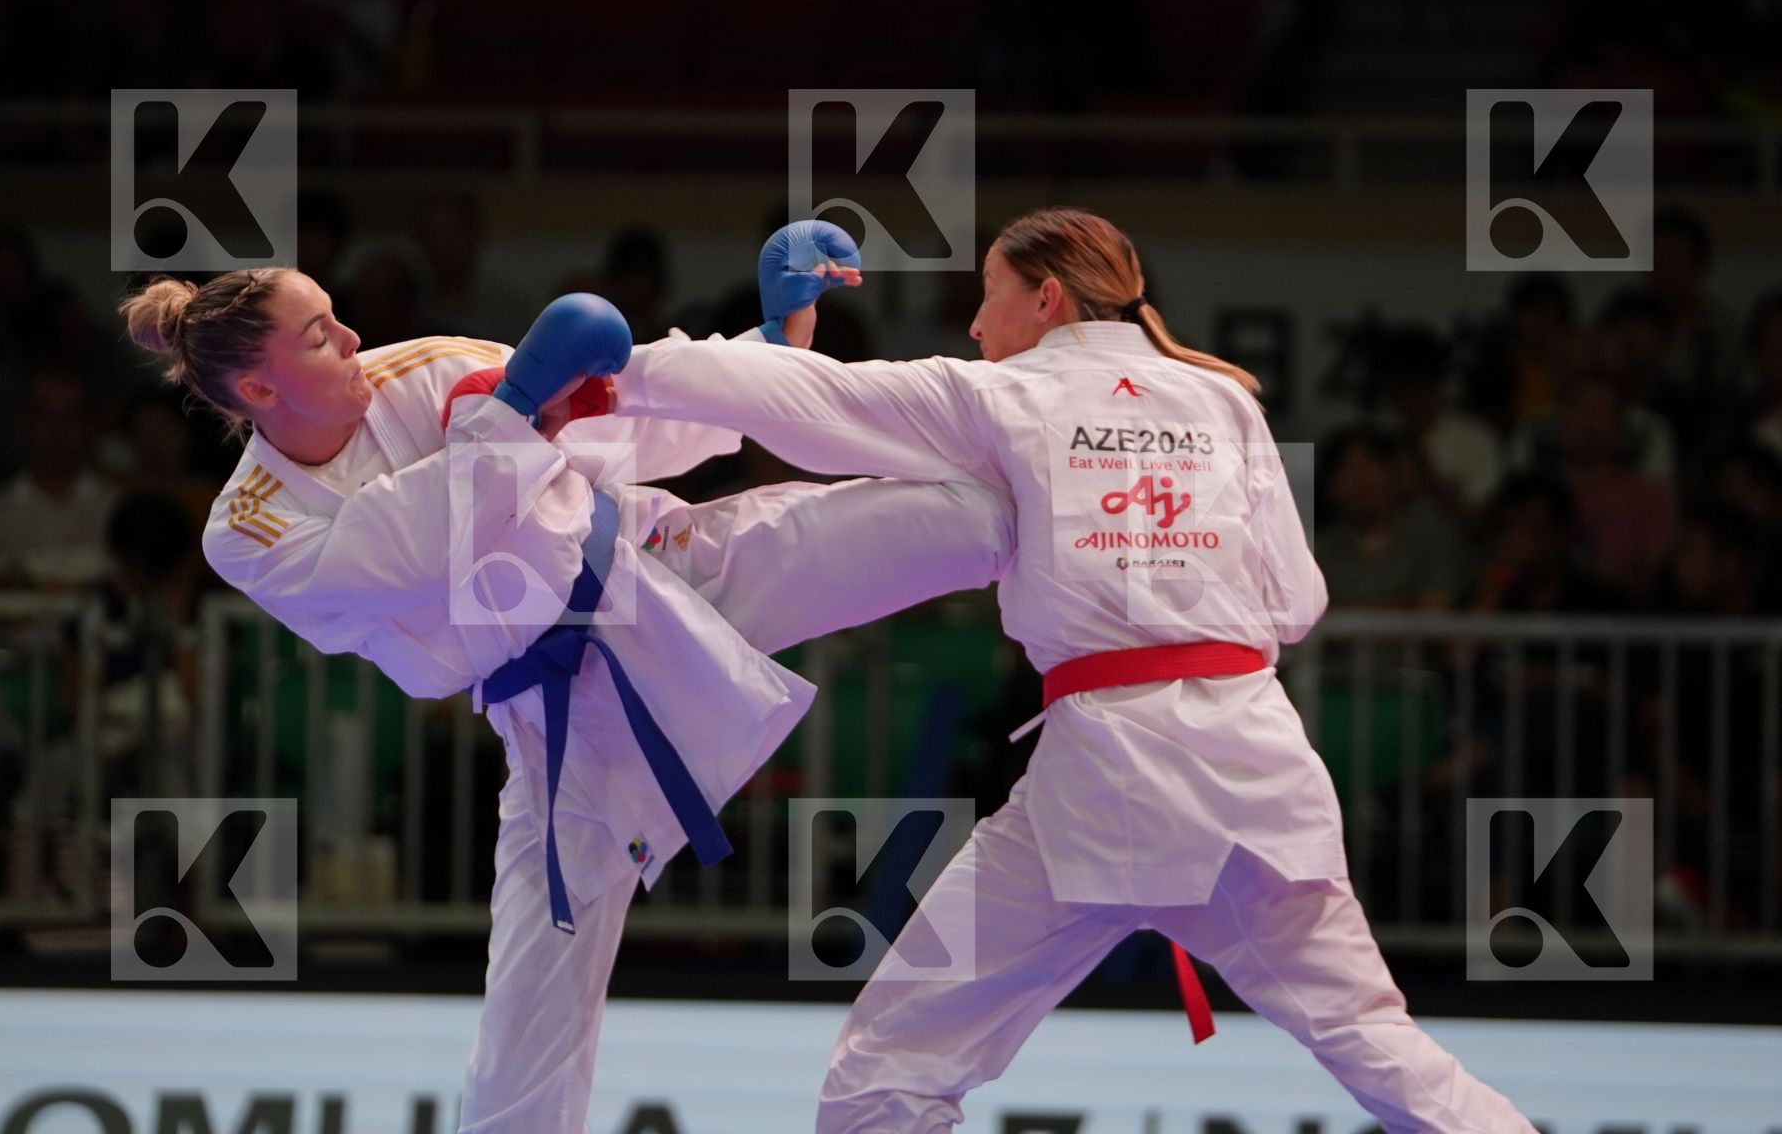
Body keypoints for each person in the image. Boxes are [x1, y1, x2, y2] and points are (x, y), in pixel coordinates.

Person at [606, 208, 1537, 1132]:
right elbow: (1299, 603)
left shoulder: (1006, 396)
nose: (974, 325)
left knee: (889, 1071)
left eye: (988, 297)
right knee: (1382, 1044)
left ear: (1045, 298)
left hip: (1099, 783)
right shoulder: (1225, 398)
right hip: (1255, 771)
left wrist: (603, 369)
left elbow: (812, 411)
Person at [119, 259, 1012, 1132]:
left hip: (655, 570)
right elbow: (399, 559)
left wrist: (764, 349)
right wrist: (504, 418)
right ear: (261, 390)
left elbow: (611, 414)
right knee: (528, 1017)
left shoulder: (426, 370)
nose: (353, 339)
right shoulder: (248, 528)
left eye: (338, 317)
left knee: (967, 519)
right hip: (559, 711)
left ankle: (1111, 525)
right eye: (319, 337)